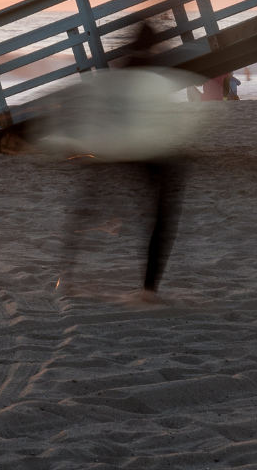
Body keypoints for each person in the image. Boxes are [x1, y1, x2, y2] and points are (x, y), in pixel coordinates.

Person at [50, 22, 190, 303]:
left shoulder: (124, 67)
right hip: (144, 149)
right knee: (161, 217)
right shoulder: (153, 68)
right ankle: (149, 289)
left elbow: (97, 104)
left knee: (86, 206)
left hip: (112, 147)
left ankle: (66, 276)